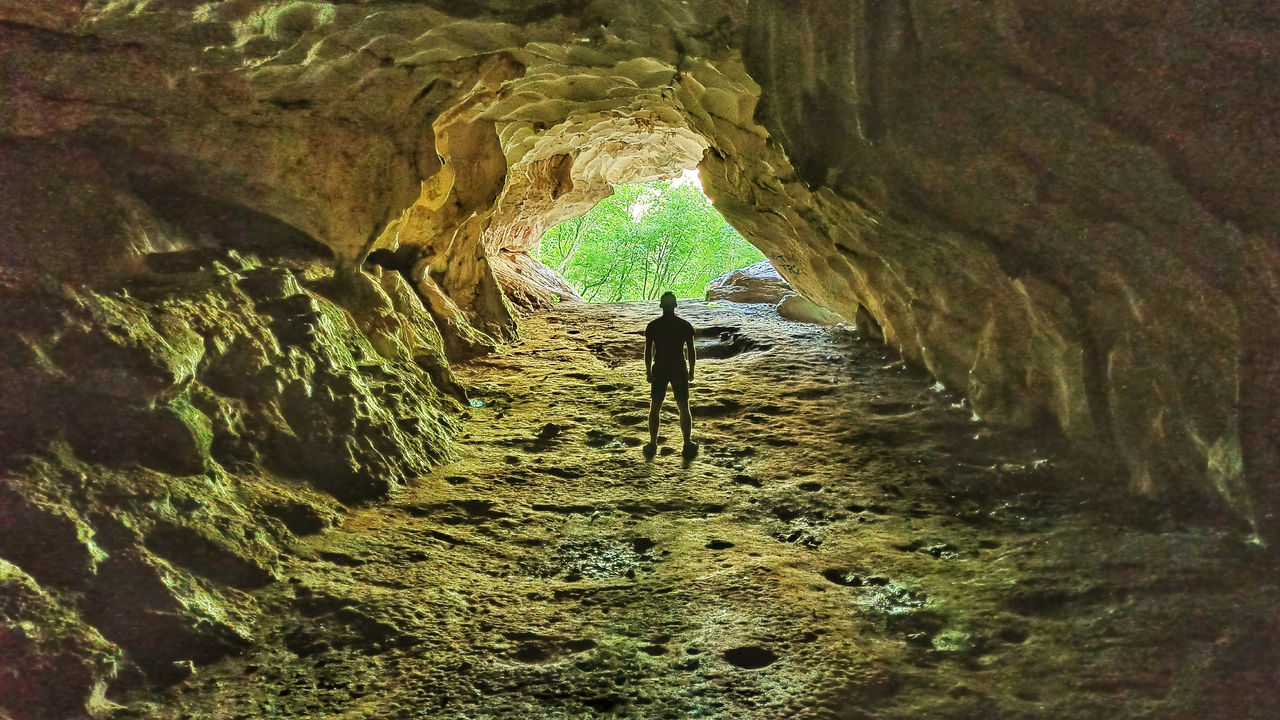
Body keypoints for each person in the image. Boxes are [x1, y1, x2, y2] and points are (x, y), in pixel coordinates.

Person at [644, 291, 696, 458]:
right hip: (678, 368)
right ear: (675, 306)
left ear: (661, 306)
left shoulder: (653, 326)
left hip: (660, 368)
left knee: (655, 407)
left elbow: (648, 351)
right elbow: (691, 350)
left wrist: (648, 371)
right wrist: (691, 370)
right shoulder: (684, 326)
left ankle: (652, 443)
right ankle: (687, 443)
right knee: (683, 406)